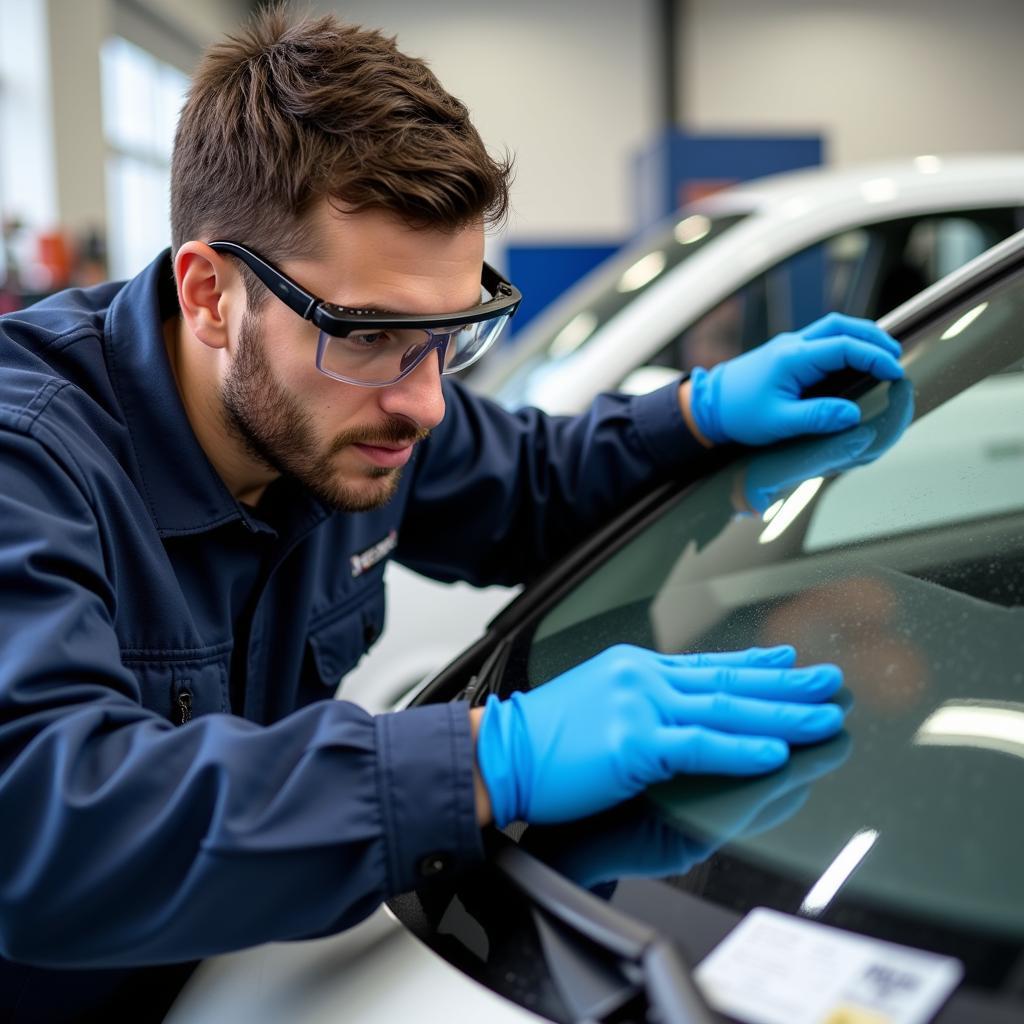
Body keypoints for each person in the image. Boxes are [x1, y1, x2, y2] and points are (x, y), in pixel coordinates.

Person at [0, 9, 906, 1020]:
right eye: (377, 332)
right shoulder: (27, 461)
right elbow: (47, 823)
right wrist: (485, 759)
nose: (424, 402)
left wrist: (693, 415)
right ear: (210, 296)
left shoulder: (344, 405)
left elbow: (528, 481)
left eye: (453, 333)